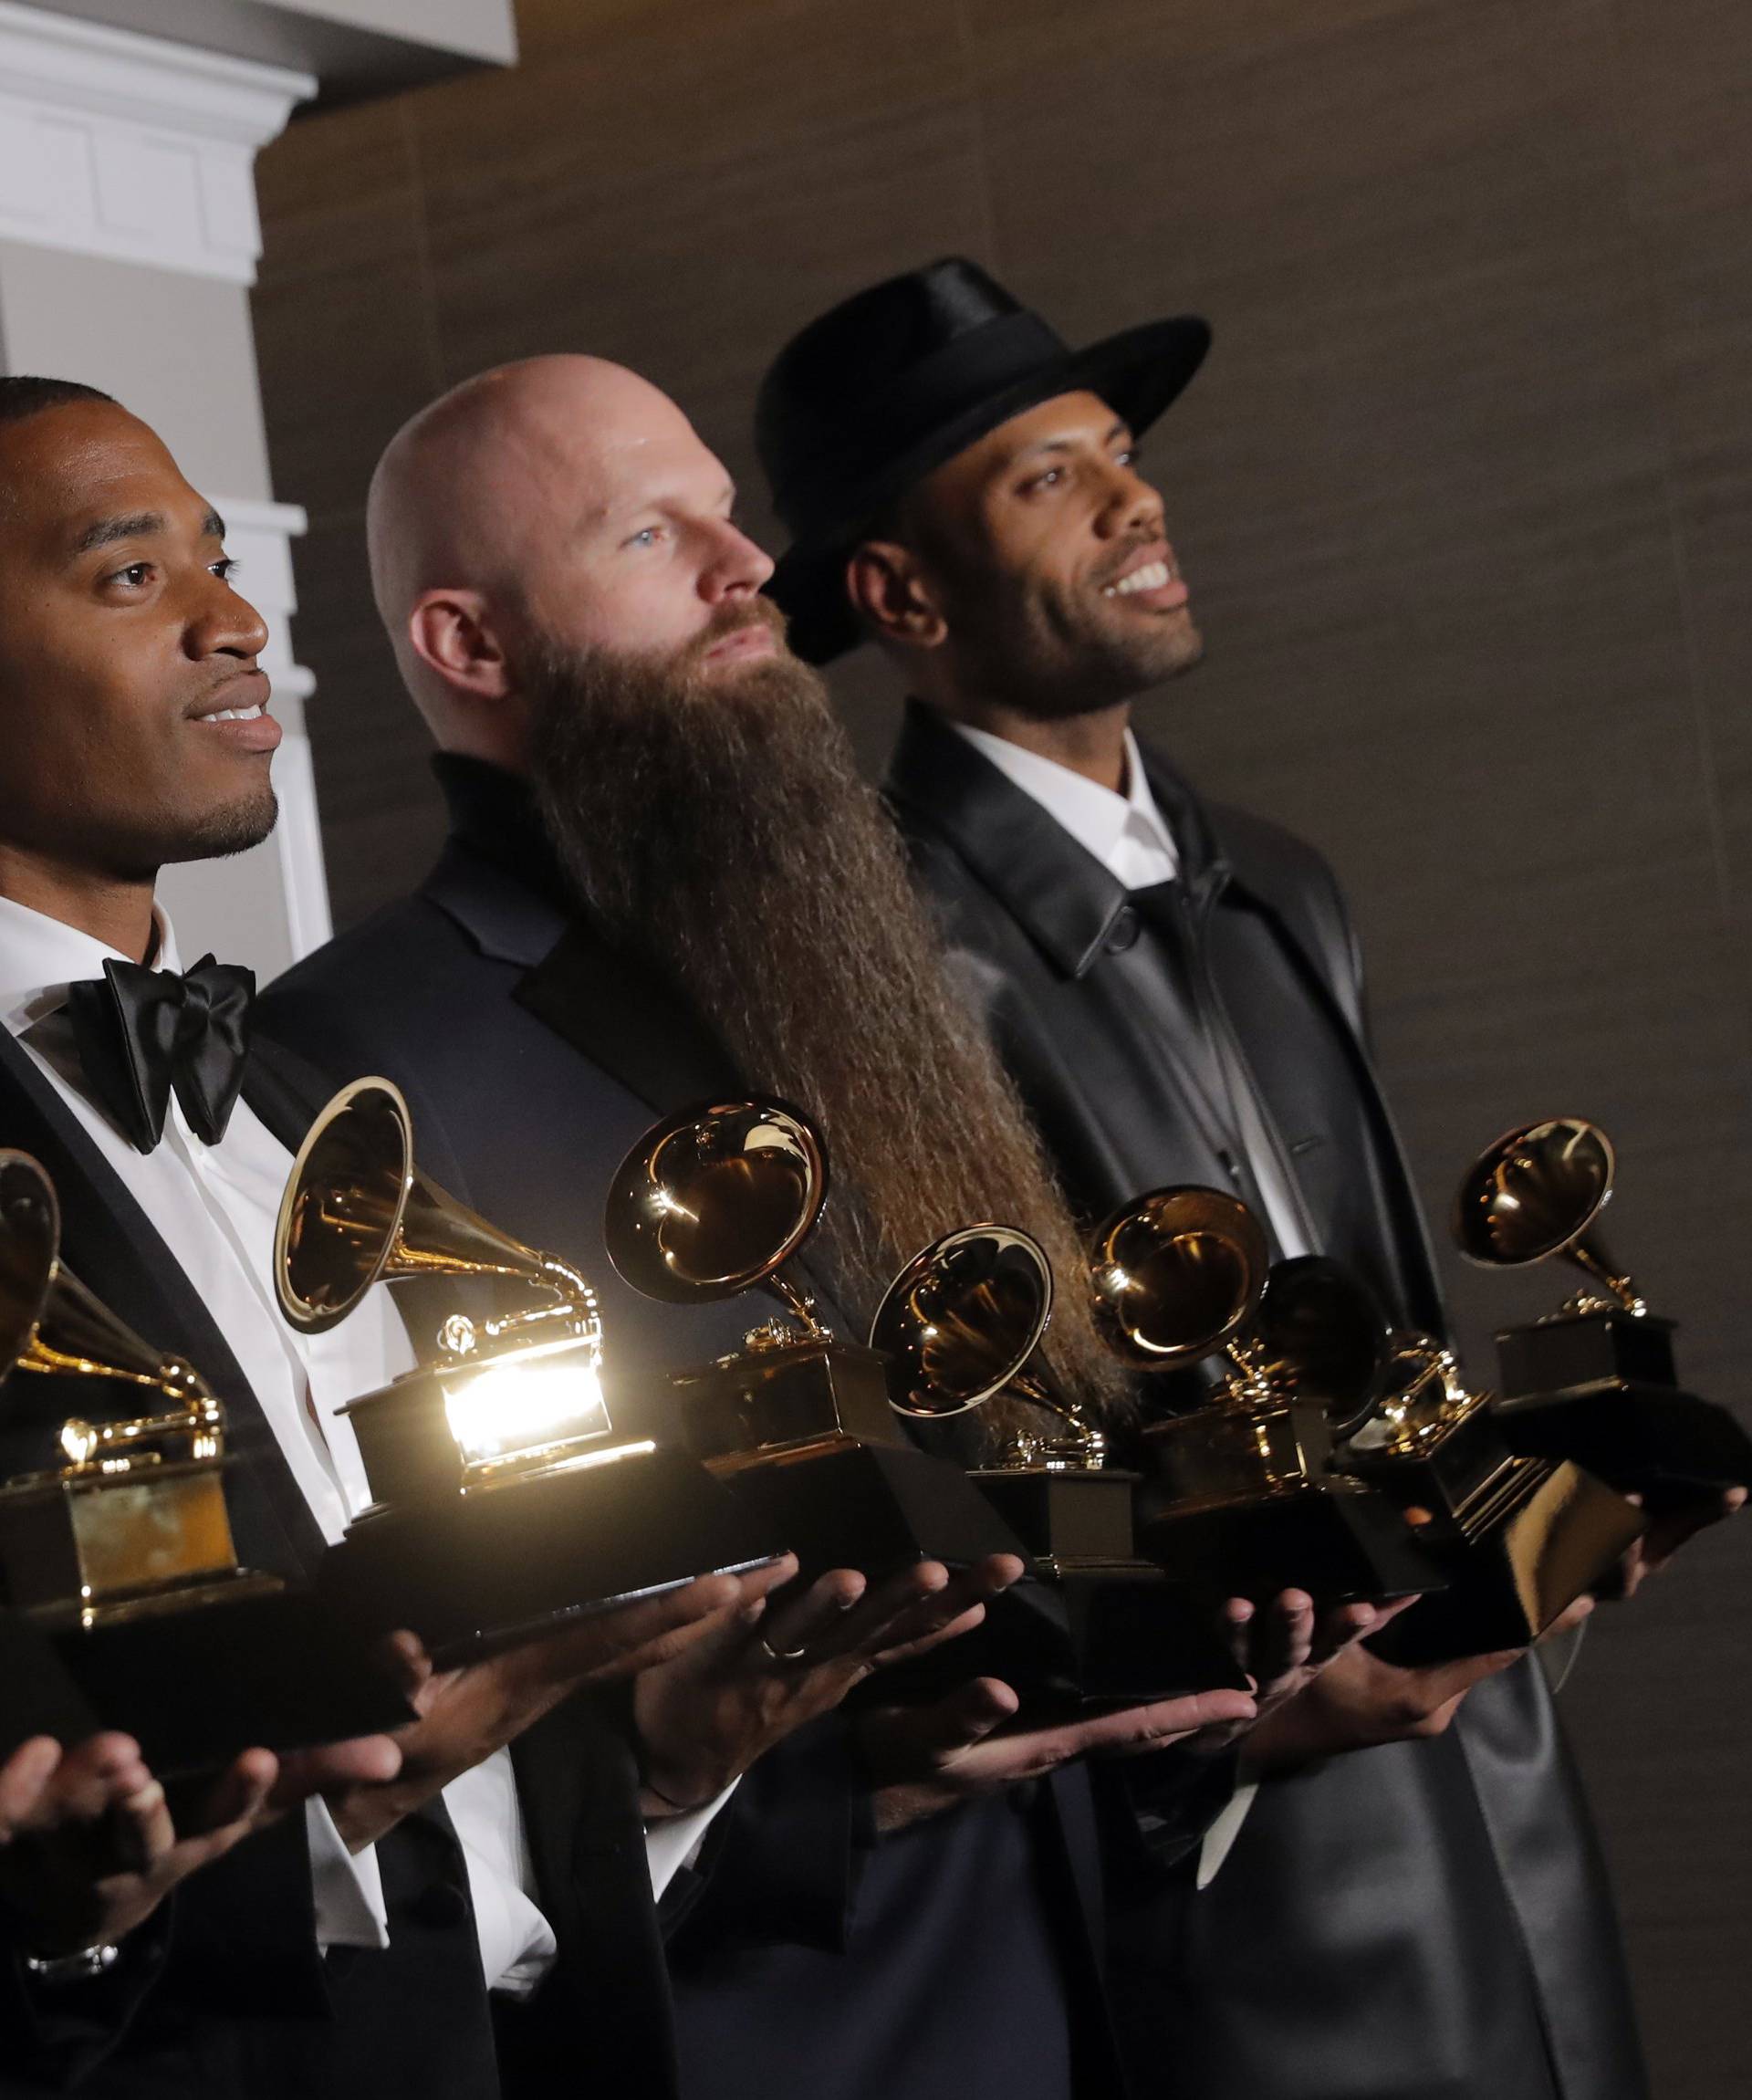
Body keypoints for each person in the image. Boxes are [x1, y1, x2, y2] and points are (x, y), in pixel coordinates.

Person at [255, 354, 1387, 2100]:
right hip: (769, 2041)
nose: (745, 569)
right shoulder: (353, 1061)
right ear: (471, 647)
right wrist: (820, 1785)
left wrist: (1222, 1628)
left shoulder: (853, 957)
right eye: (651, 534)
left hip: (1102, 1990)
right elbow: (412, 1720)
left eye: (726, 512)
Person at [752, 258, 1739, 2100]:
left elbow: (1396, 1346)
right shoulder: (869, 961)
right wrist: (1226, 1691)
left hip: (1496, 1766)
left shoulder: (1284, 880)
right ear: (896, 589)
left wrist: (1557, 1532)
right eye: (1046, 478)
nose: (1137, 501)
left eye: (1119, 453)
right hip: (1228, 1835)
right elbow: (979, 1476)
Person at [0, 372, 934, 2099]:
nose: (234, 618)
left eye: (220, 560)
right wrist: (81, 1918)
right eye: (130, 575)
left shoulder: (296, 1094)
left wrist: (664, 1770)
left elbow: (488, 1761)